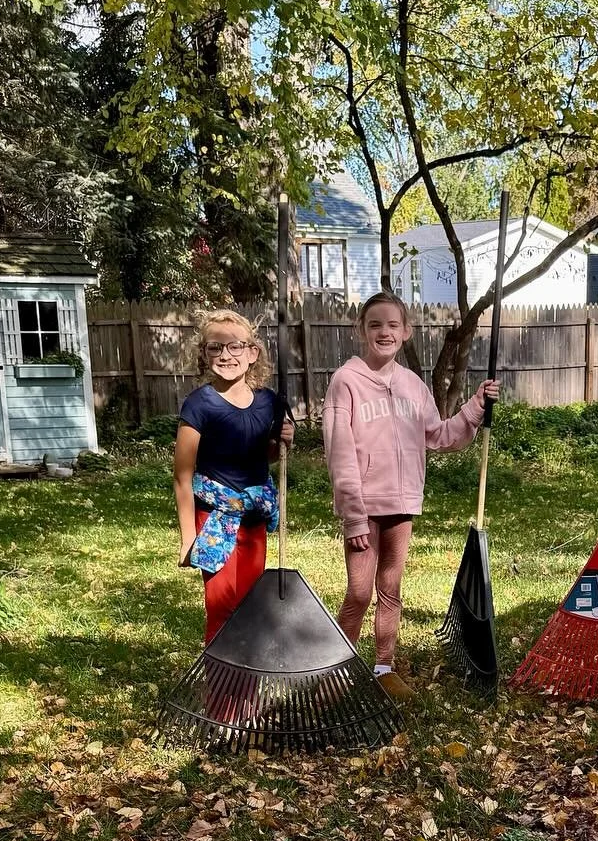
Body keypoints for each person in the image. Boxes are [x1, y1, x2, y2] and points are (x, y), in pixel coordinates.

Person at [324, 291, 498, 701]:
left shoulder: (413, 386)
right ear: (361, 330)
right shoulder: (346, 381)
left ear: (406, 331)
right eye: (375, 324)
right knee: (359, 593)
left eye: (392, 325)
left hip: (401, 506)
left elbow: (440, 435)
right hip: (364, 508)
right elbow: (339, 451)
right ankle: (336, 670)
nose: (384, 332)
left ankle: (384, 667)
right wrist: (352, 515)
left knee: (390, 589)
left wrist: (475, 407)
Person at [174, 311, 295, 642]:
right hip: (214, 520)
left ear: (252, 353)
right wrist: (188, 538)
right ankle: (221, 676)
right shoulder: (200, 405)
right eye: (215, 347)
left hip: (254, 519)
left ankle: (247, 674)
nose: (225, 355)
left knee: (252, 605)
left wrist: (283, 440)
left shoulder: (269, 402)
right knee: (222, 607)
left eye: (235, 346)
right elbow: (182, 476)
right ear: (204, 354)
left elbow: (264, 455)